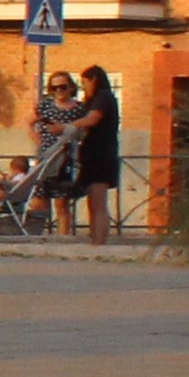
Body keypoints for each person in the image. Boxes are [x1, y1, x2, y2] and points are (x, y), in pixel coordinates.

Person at [69, 63, 122, 245]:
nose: (84, 87)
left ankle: (100, 242)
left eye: (85, 83)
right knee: (92, 201)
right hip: (91, 155)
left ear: (94, 80)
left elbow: (92, 119)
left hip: (102, 155)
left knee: (99, 201)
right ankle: (94, 239)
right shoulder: (93, 100)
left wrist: (67, 127)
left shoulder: (103, 97)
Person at [33, 71, 86, 234]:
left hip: (66, 158)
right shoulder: (45, 106)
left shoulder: (79, 109)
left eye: (62, 87)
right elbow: (28, 121)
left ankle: (62, 239)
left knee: (61, 203)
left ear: (70, 87)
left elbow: (84, 131)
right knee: (39, 200)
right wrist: (38, 141)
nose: (59, 91)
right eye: (54, 88)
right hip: (46, 156)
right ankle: (37, 237)